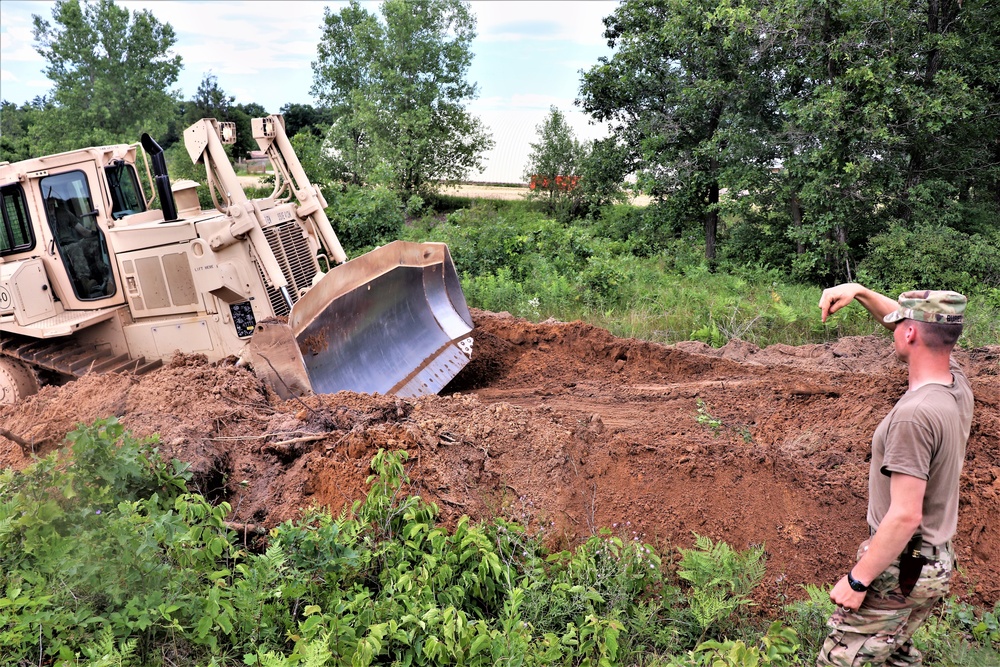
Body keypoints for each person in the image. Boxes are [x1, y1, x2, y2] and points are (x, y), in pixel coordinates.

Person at [815, 284, 973, 667]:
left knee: (840, 659)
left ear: (911, 332)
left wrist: (857, 580)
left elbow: (905, 514)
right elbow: (917, 329)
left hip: (901, 566)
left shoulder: (913, 416)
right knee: (893, 656)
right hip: (934, 560)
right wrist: (861, 292)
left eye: (902, 323)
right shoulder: (956, 386)